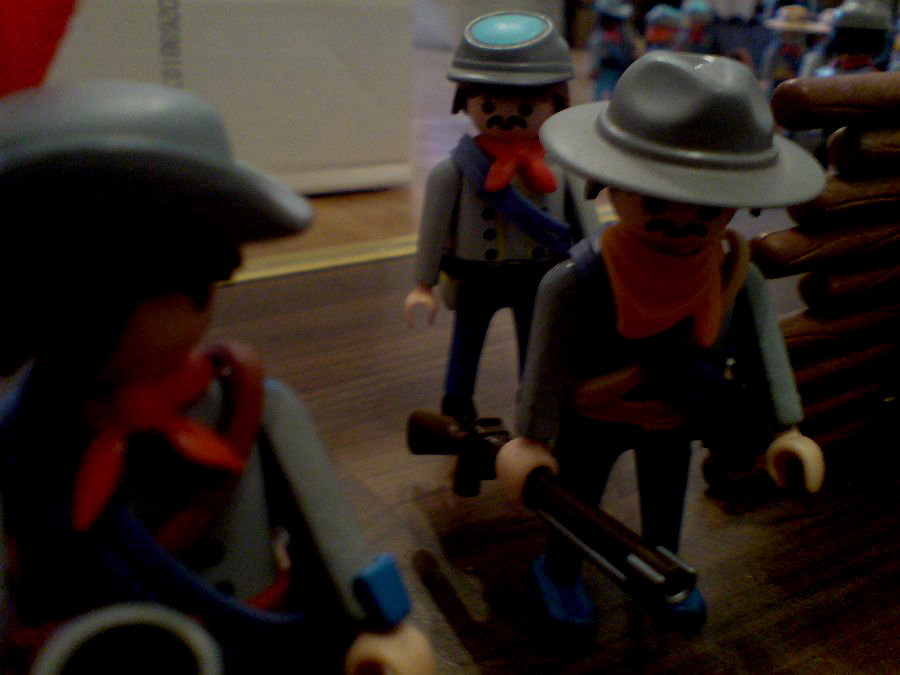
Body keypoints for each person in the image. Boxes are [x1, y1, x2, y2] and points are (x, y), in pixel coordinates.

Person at [0, 81, 432, 674]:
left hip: (253, 642)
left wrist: (382, 625)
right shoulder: (20, 438)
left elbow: (331, 535)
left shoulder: (253, 409)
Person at [496, 51, 827, 628]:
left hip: (677, 418)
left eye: (707, 206)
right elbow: (544, 366)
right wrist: (531, 437)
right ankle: (560, 569)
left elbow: (764, 352)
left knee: (666, 503)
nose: (680, 220)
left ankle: (661, 569)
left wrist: (787, 429)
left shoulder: (735, 275)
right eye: (655, 198)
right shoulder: (575, 281)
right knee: (577, 500)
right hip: (594, 418)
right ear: (608, 183)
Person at [404, 11, 597, 422]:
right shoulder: (455, 171)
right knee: (466, 341)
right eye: (489, 104)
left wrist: (596, 277)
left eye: (526, 105)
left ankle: (533, 404)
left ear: (557, 100)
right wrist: (423, 283)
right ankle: (457, 405)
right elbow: (433, 228)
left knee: (537, 343)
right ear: (465, 101)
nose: (506, 115)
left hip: (539, 277)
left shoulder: (564, 169)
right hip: (477, 277)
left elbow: (586, 228)